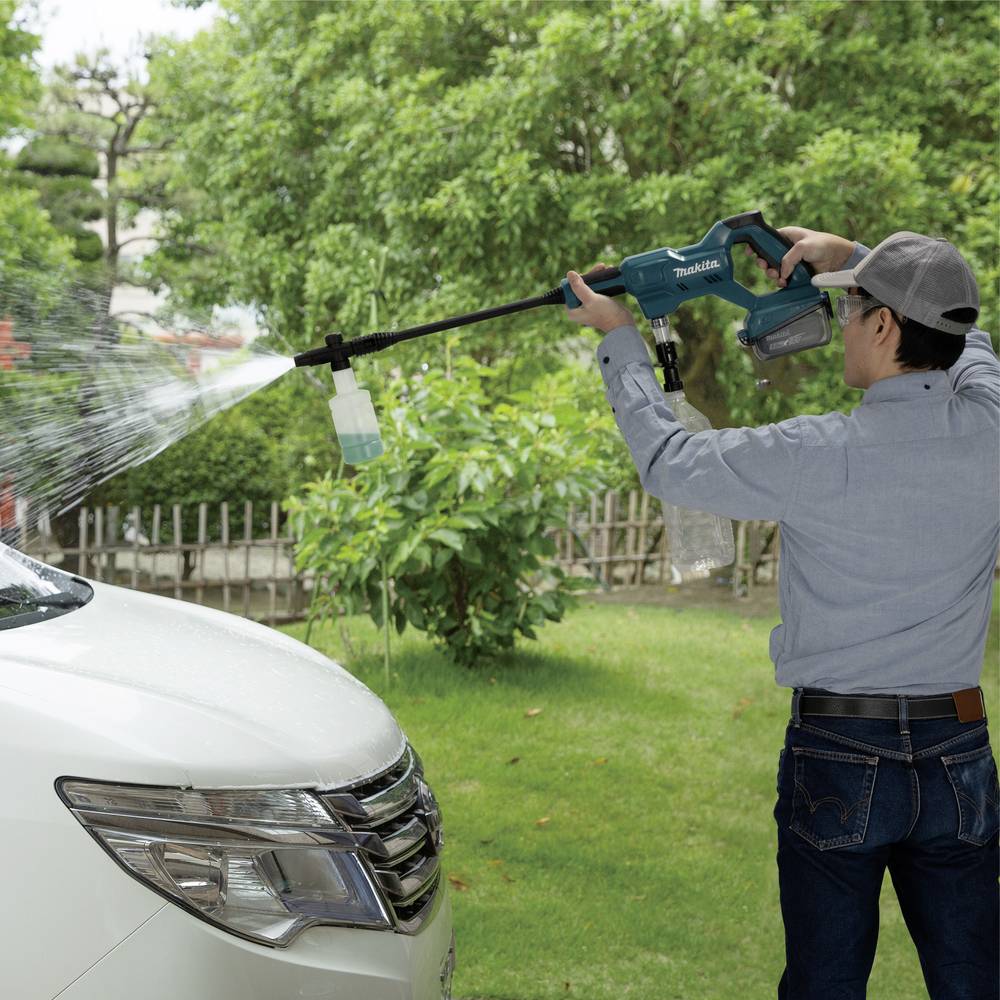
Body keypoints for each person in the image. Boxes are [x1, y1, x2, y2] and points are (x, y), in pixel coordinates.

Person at [564, 226, 999, 1000]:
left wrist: (621, 342)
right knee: (975, 981)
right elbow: (971, 339)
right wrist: (855, 262)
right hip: (958, 749)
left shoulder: (814, 452)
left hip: (839, 745)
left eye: (851, 305)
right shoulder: (990, 427)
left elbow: (667, 462)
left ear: (884, 326)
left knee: (824, 985)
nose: (837, 326)